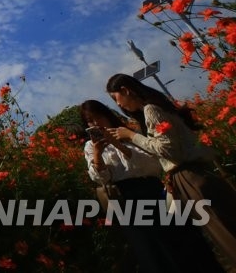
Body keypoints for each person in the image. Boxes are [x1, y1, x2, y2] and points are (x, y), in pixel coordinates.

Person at [106, 73, 236, 271]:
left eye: (117, 99)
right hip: (195, 173)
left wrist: (131, 136)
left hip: (190, 176)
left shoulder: (150, 109)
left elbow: (167, 149)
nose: (119, 105)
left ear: (125, 90)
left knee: (223, 231)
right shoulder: (159, 105)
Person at [81, 99, 222, 272]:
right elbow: (100, 178)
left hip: (152, 190)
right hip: (126, 199)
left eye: (98, 117)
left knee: (183, 240)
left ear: (107, 115)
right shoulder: (90, 146)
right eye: (90, 121)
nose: (95, 123)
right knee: (152, 250)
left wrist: (118, 144)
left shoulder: (128, 134)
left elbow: (153, 165)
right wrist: (97, 153)